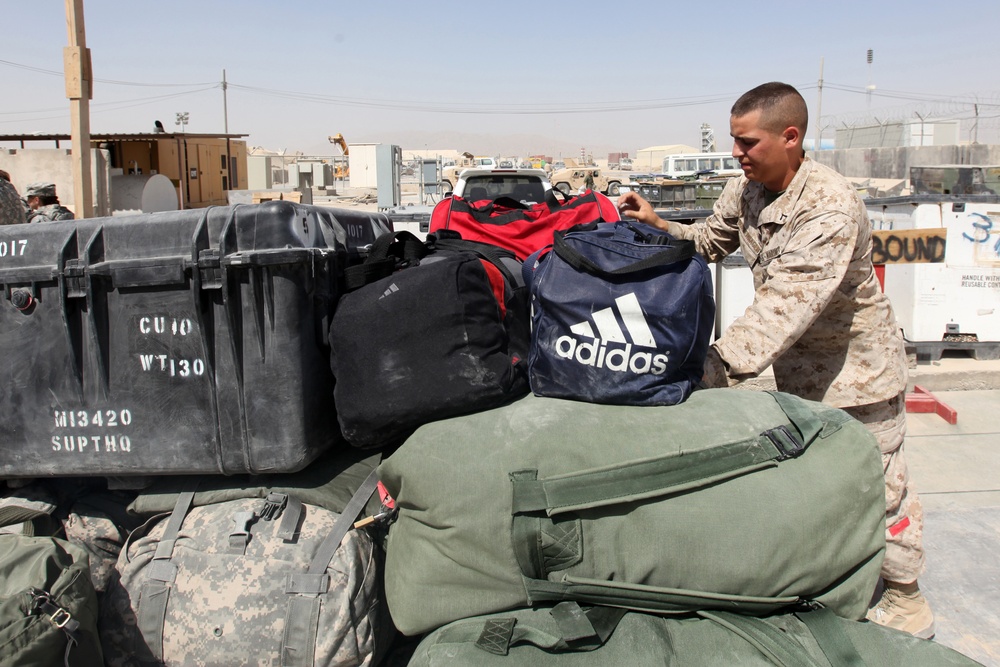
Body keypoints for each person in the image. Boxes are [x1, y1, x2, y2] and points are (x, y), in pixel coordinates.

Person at [618, 81, 934, 639]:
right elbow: (710, 241)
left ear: (791, 137)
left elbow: (783, 309)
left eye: (747, 142)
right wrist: (659, 224)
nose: (737, 153)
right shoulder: (747, 190)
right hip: (801, 375)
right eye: (735, 141)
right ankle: (833, 575)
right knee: (820, 484)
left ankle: (907, 597)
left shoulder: (828, 206)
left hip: (858, 376)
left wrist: (700, 369)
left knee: (881, 488)